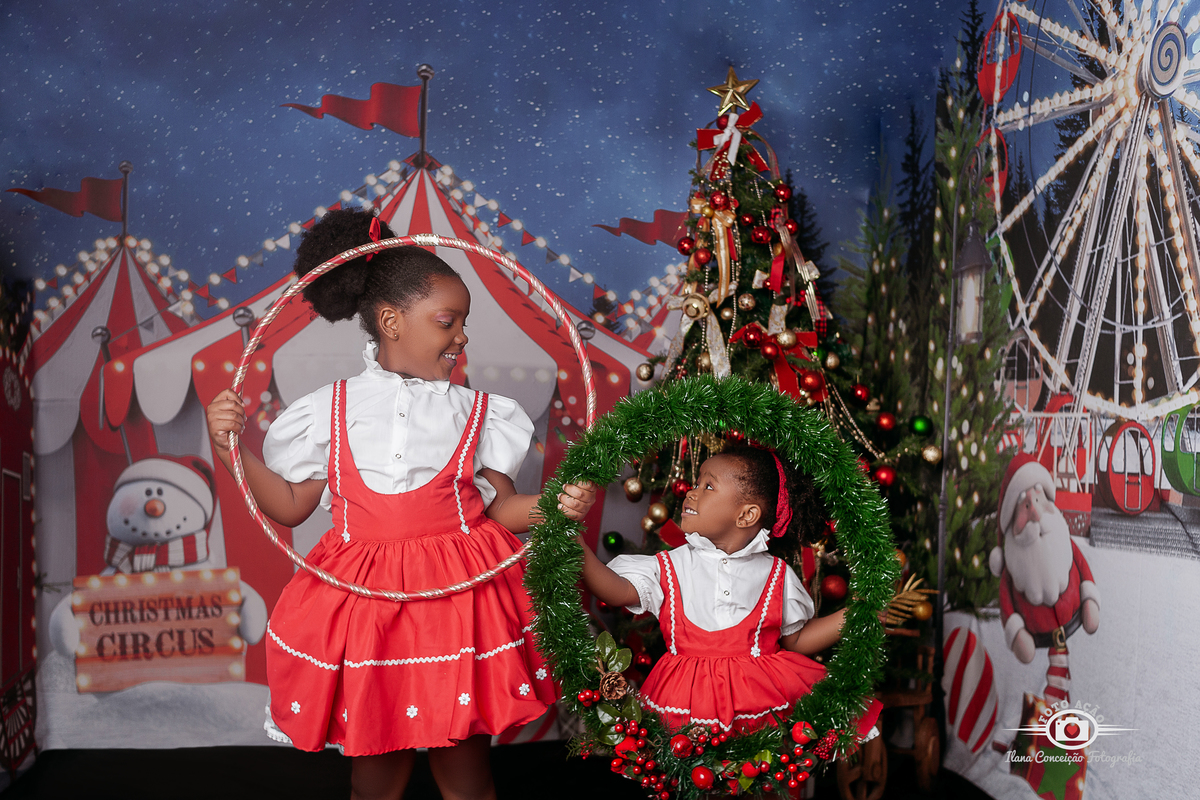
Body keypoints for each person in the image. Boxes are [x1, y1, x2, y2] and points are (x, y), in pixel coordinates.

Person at [206, 208, 596, 800]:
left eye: (463, 322)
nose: (461, 336)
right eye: (447, 322)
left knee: (464, 767)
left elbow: (503, 509)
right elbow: (287, 507)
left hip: (457, 603)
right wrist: (230, 447)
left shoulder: (478, 413)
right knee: (375, 771)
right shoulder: (330, 410)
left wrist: (556, 506)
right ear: (391, 321)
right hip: (368, 607)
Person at [579, 444, 879, 739]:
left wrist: (857, 615)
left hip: (762, 697)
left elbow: (796, 640)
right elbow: (617, 592)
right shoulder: (670, 565)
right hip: (685, 698)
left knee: (760, 777)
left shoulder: (776, 574)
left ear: (746, 516)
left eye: (708, 486)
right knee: (693, 776)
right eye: (696, 483)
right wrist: (576, 548)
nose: (690, 492)